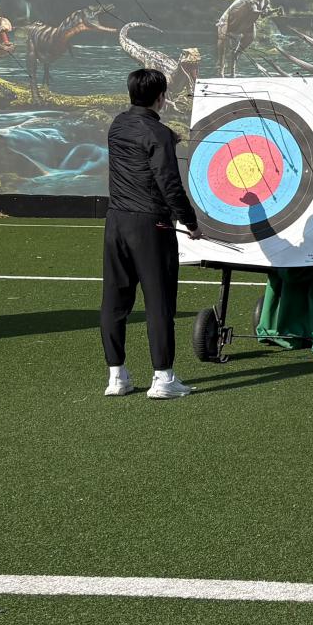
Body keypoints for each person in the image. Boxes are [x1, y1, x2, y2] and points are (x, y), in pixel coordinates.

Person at [101, 67, 200, 398]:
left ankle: (117, 377)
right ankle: (163, 379)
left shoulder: (118, 125)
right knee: (159, 302)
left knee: (115, 300)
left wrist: (168, 137)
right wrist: (190, 222)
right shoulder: (158, 134)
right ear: (162, 97)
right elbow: (169, 184)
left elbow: (142, 137)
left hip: (116, 222)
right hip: (151, 225)